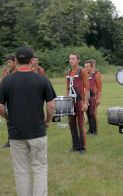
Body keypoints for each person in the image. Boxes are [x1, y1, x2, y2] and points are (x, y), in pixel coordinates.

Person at [0, 46, 56, 196]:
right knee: (39, 168)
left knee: (21, 170)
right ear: (32, 61)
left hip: (16, 132)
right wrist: (47, 121)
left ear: (16, 60)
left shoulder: (6, 81)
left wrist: (8, 118)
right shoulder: (42, 80)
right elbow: (51, 106)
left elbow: (0, 107)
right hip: (37, 131)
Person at [66, 53, 89, 154]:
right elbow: (67, 88)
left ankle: (83, 147)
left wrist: (85, 103)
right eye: (70, 59)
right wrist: (66, 101)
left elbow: (87, 88)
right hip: (70, 101)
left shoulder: (82, 71)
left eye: (73, 59)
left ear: (78, 60)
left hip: (79, 100)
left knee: (81, 123)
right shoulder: (68, 72)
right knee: (71, 123)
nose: (71, 61)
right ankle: (75, 146)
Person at [1, 55, 17, 148]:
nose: (8, 64)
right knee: (9, 120)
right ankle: (10, 140)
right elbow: (2, 85)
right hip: (8, 99)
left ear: (15, 62)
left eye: (9, 62)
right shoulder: (8, 72)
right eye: (7, 63)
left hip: (15, 100)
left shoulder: (17, 72)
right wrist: (4, 76)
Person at [84, 59, 102, 135]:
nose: (86, 68)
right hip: (86, 97)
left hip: (93, 97)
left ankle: (95, 131)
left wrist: (98, 99)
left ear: (91, 67)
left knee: (92, 113)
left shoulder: (96, 75)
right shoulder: (85, 74)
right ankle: (90, 130)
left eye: (87, 67)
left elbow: (100, 88)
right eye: (85, 67)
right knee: (87, 113)